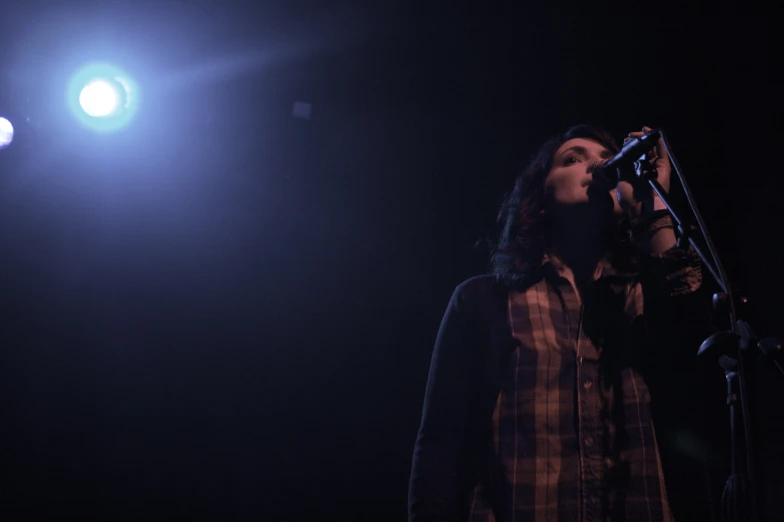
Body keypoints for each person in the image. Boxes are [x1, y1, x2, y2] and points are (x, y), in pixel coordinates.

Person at [408, 124, 720, 522]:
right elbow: (441, 441)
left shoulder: (648, 295)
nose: (597, 166)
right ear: (539, 199)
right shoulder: (482, 300)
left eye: (605, 159)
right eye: (574, 159)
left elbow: (695, 381)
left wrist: (653, 208)